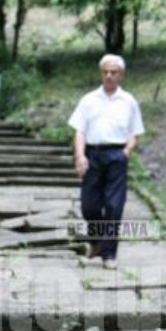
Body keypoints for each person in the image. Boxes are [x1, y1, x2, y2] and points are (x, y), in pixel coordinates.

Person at [68, 54, 145, 270]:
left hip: (116, 156)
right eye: (105, 72)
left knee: (113, 205)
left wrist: (126, 152)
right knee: (89, 206)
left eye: (114, 72)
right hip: (92, 154)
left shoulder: (128, 101)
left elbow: (135, 132)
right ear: (101, 73)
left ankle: (109, 254)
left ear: (121, 75)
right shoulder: (88, 100)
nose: (109, 76)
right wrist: (80, 156)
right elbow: (79, 130)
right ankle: (96, 243)